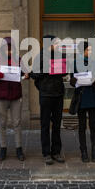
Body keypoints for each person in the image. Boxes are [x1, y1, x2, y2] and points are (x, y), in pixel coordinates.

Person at [0, 37, 29, 161]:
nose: (9, 52)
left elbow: (25, 73)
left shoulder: (19, 60)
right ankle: (3, 148)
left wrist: (26, 75)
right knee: (2, 123)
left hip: (16, 96)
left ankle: (19, 148)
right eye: (7, 49)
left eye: (11, 49)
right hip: (1, 97)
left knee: (17, 123)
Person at [30, 35, 67, 165]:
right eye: (56, 43)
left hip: (58, 94)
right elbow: (33, 74)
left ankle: (56, 152)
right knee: (45, 125)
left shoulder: (61, 55)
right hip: (46, 94)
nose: (58, 45)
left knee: (57, 125)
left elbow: (64, 72)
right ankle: (46, 153)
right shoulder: (40, 56)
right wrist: (46, 71)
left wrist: (63, 70)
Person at [69, 41, 95, 163]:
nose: (91, 52)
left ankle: (94, 151)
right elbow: (72, 81)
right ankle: (83, 151)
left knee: (93, 126)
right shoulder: (75, 63)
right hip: (81, 98)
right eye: (89, 50)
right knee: (82, 127)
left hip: (92, 97)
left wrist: (94, 82)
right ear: (83, 51)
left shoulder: (94, 63)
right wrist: (74, 80)